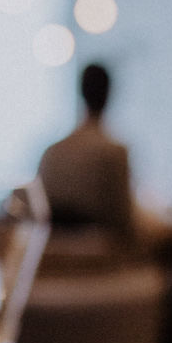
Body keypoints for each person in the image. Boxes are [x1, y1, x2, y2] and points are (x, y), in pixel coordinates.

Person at [37, 62, 137, 264]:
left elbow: (38, 214)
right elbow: (124, 223)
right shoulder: (114, 153)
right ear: (109, 94)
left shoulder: (52, 151)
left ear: (80, 92)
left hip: (51, 259)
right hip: (98, 265)